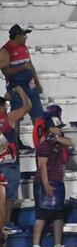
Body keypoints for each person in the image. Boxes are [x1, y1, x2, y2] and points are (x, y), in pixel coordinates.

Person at [32, 109, 71, 247]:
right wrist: (46, 184)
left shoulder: (57, 142)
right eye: (57, 128)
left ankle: (58, 244)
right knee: (42, 214)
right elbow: (42, 166)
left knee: (58, 215)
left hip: (57, 180)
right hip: (44, 181)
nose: (60, 130)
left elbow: (70, 141)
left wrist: (56, 138)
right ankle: (36, 245)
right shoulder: (44, 143)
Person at [0, 87, 30, 231]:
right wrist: (20, 91)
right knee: (8, 198)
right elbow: (28, 106)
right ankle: (5, 223)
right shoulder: (9, 117)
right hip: (9, 164)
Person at [1, 25, 43, 122]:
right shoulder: (5, 50)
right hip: (16, 89)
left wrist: (37, 83)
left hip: (31, 87)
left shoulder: (24, 48)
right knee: (16, 117)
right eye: (24, 35)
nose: (26, 37)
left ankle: (39, 136)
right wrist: (22, 67)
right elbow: (6, 72)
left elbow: (30, 65)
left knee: (38, 116)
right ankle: (15, 138)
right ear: (17, 36)